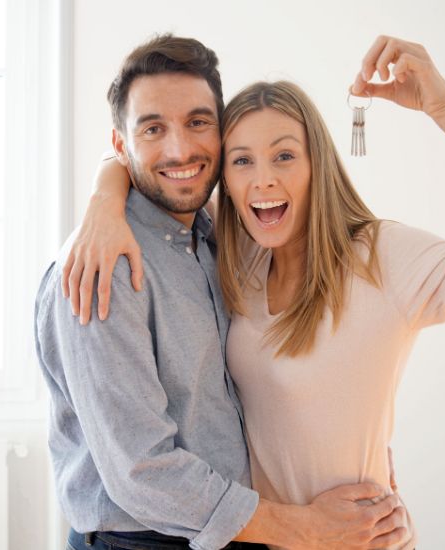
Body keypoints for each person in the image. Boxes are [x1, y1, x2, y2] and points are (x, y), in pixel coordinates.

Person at [63, 35, 445, 550]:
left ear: (317, 162)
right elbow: (160, 157)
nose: (263, 180)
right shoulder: (238, 253)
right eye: (243, 161)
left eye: (285, 156)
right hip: (266, 541)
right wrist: (104, 197)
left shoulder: (382, 256)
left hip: (359, 538)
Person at [35, 34, 409, 550]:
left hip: (232, 532)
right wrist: (308, 528)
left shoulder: (217, 238)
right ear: (122, 145)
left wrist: (362, 471)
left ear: (221, 134)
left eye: (197, 122)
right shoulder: (102, 268)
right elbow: (142, 471)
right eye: (152, 128)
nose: (180, 149)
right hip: (143, 541)